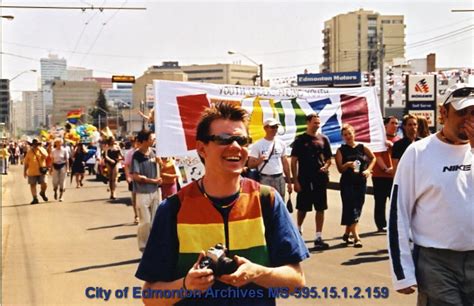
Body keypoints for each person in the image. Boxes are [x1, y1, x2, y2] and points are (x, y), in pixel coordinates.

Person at [135, 102, 308, 306]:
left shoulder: (266, 200)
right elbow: (150, 296)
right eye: (224, 139)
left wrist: (258, 273)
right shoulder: (174, 208)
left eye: (242, 140)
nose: (235, 146)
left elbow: (297, 282)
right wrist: (186, 285)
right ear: (201, 148)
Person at [388, 83, 474, 305]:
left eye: (473, 112)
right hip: (436, 263)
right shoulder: (418, 153)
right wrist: (402, 272)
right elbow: (399, 212)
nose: (469, 119)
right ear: (443, 113)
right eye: (462, 112)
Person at [291, 112, 332, 249]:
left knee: (320, 208)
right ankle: (298, 231)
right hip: (304, 179)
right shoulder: (300, 140)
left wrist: (326, 167)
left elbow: (328, 158)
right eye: (314, 122)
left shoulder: (324, 139)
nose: (317, 125)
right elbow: (294, 161)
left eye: (318, 123)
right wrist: (295, 181)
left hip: (320, 179)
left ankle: (318, 236)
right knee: (302, 208)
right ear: (308, 123)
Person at [335, 124, 376, 248]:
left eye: (349, 133)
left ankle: (347, 233)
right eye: (345, 135)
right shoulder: (341, 150)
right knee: (350, 208)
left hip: (360, 182)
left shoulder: (362, 147)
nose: (348, 136)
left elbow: (373, 158)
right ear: (342, 137)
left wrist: (368, 170)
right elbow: (340, 169)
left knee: (357, 208)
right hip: (347, 183)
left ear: (354, 134)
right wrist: (347, 164)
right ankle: (356, 238)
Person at [131, 129, 162, 252]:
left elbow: (161, 167)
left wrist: (160, 163)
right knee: (146, 221)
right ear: (144, 141)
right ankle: (143, 245)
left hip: (155, 192)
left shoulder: (154, 153)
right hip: (142, 193)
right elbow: (136, 176)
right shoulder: (137, 156)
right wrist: (152, 181)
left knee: (155, 220)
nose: (153, 140)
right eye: (151, 139)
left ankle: (154, 244)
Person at [248, 118, 292, 199]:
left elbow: (285, 163)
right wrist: (259, 160)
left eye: (276, 127)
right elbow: (250, 165)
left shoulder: (281, 143)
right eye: (272, 127)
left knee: (280, 202)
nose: (275, 129)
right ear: (265, 128)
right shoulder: (258, 145)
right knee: (266, 203)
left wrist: (289, 182)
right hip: (265, 178)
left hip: (279, 178)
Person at [371, 116, 400, 232]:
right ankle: (381, 225)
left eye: (396, 123)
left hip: (395, 176)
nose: (395, 126)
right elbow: (376, 156)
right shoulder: (379, 140)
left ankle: (395, 224)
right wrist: (386, 169)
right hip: (380, 176)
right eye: (392, 123)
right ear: (385, 125)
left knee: (395, 202)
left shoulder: (398, 140)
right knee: (380, 201)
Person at [23, 139, 49, 204]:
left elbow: (46, 156)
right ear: (32, 145)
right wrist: (25, 171)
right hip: (32, 171)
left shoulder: (42, 149)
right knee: (32, 185)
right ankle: (35, 198)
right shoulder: (29, 152)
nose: (35, 146)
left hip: (42, 171)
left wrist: (39, 150)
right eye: (34, 144)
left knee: (45, 183)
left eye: (37, 144)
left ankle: (42, 192)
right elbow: (26, 163)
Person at [123, 137, 139, 224]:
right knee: (134, 198)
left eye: (136, 142)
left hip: (141, 177)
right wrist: (128, 176)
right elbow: (126, 165)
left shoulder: (142, 151)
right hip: (133, 178)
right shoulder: (129, 153)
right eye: (133, 142)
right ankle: (136, 215)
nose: (134, 144)